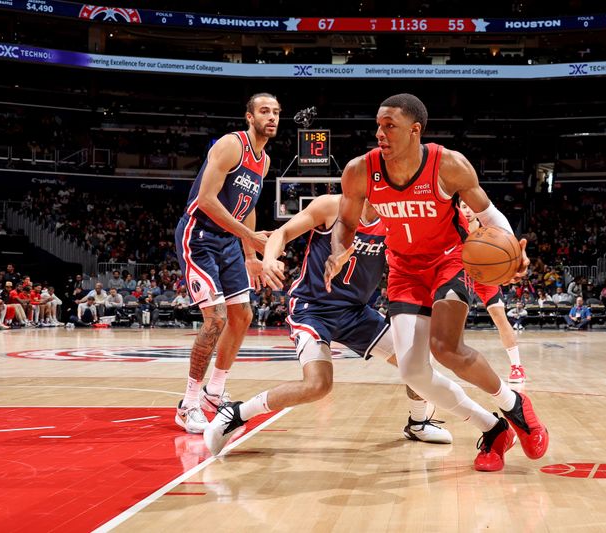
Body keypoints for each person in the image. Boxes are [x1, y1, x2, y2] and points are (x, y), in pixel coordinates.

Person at [331, 94, 547, 471]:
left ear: (415, 130)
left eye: (390, 126)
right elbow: (346, 223)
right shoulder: (360, 171)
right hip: (403, 269)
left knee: (445, 347)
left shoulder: (448, 164)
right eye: (378, 125)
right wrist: (339, 249)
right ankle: (494, 428)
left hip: (449, 260)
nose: (380, 133)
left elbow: (489, 214)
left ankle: (515, 405)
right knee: (412, 371)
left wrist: (515, 251)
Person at [205, 194, 453, 456]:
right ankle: (237, 413)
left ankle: (417, 422)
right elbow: (282, 232)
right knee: (318, 385)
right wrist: (268, 259)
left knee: (416, 360)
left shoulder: (395, 220)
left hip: (356, 312)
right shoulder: (332, 206)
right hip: (313, 309)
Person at [173, 93, 277, 434]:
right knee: (215, 318)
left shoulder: (263, 160)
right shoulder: (233, 145)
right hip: (199, 235)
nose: (271, 117)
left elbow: (247, 204)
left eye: (276, 112)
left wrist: (251, 255)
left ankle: (213, 394)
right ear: (249, 116)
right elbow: (205, 200)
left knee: (243, 314)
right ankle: (188, 404)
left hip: (230, 242)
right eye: (264, 111)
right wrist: (250, 235)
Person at [459, 200, 525, 383]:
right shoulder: (454, 226)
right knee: (452, 319)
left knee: (499, 317)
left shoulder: (488, 229)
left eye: (470, 206)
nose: (468, 210)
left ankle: (517, 367)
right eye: (464, 206)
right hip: (459, 273)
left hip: (483, 276)